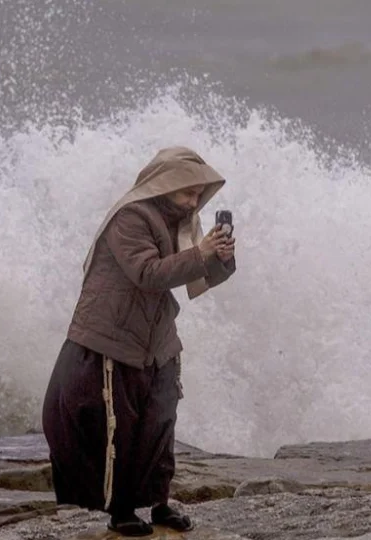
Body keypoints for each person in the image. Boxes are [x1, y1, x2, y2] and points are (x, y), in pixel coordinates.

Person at [42, 146, 237, 536]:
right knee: (119, 428)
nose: (194, 201)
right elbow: (147, 273)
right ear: (165, 184)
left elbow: (194, 276)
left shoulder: (180, 222)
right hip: (111, 338)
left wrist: (220, 257)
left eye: (198, 193)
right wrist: (201, 253)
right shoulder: (130, 216)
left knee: (160, 424)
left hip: (157, 339)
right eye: (188, 192)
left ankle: (159, 503)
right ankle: (122, 510)